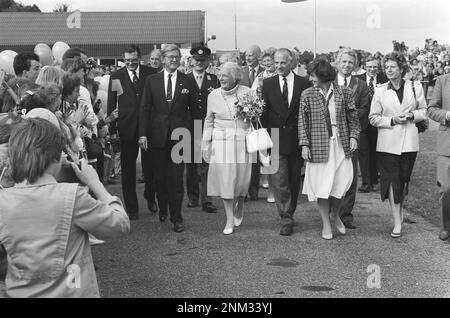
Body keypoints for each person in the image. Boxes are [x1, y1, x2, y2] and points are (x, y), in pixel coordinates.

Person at [0, 118, 129, 297]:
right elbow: (119, 224)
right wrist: (95, 183)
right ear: (55, 158)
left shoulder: (3, 201)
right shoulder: (72, 197)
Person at [299, 58, 360, 240]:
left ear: (323, 75)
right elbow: (303, 122)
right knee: (322, 185)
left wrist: (353, 136)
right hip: (318, 144)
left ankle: (336, 214)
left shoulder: (344, 93)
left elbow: (353, 119)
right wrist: (304, 145)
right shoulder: (307, 94)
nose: (311, 79)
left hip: (341, 144)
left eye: (313, 75)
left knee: (340, 183)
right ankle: (326, 222)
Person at [369, 52, 427, 238]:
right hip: (387, 143)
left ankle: (399, 214)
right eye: (387, 67)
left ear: (401, 69)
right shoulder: (380, 90)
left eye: (393, 67)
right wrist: (392, 120)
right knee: (392, 180)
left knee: (403, 179)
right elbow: (373, 118)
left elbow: (424, 111)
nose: (389, 70)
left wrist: (412, 116)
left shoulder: (415, 86)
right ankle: (396, 222)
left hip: (409, 142)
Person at [139, 44, 194, 233]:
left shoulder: (187, 80)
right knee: (160, 178)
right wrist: (143, 133)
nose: (174, 60)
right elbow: (145, 108)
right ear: (163, 59)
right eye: (170, 57)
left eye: (177, 57)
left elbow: (194, 111)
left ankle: (177, 217)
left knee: (177, 179)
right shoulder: (151, 80)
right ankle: (163, 207)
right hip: (158, 136)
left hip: (181, 137)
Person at [261, 48, 311, 236]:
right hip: (274, 138)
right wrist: (263, 141)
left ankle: (290, 211)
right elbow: (264, 113)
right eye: (276, 62)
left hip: (297, 139)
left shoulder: (303, 83)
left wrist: (307, 141)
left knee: (293, 179)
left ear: (291, 63)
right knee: (279, 180)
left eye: (283, 62)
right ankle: (286, 217)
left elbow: (307, 113)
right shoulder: (268, 83)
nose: (279, 66)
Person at [202, 62, 253, 235]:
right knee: (226, 180)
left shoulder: (247, 92)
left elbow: (255, 119)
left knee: (241, 180)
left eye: (225, 75)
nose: (221, 78)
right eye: (220, 75)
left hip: (241, 141)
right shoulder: (213, 95)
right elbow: (208, 120)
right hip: (221, 141)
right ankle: (229, 218)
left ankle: (241, 204)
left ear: (234, 76)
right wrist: (205, 144)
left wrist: (251, 112)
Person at [107, 45, 157, 220]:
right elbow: (112, 104)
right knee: (128, 171)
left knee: (150, 168)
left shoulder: (151, 73)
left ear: (139, 58)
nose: (130, 63)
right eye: (127, 60)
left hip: (148, 127)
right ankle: (132, 207)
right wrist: (112, 130)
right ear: (123, 59)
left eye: (134, 60)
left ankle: (151, 196)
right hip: (126, 127)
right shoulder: (116, 76)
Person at [335, 48, 370, 229]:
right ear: (337, 63)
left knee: (350, 176)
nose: (347, 65)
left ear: (355, 64)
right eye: (344, 62)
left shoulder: (361, 85)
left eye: (350, 62)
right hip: (331, 136)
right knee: (332, 174)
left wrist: (350, 114)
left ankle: (346, 215)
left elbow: (365, 108)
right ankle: (332, 212)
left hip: (353, 135)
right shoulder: (329, 82)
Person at [185, 45, 220, 213]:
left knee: (207, 164)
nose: (199, 63)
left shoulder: (214, 80)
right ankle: (193, 197)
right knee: (190, 164)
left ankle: (207, 200)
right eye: (196, 60)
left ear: (208, 61)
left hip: (208, 128)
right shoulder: (183, 79)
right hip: (188, 127)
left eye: (203, 60)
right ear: (191, 61)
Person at [355, 55, 388, 193]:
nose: (372, 69)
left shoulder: (384, 80)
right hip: (362, 121)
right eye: (369, 67)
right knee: (363, 152)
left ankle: (374, 179)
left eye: (375, 66)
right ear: (365, 67)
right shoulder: (358, 80)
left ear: (378, 67)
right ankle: (366, 182)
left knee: (376, 151)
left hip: (379, 121)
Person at [427, 72, 450, 241]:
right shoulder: (442, 81)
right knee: (446, 188)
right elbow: (431, 109)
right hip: (447, 145)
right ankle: (446, 227)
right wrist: (447, 115)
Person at [252, 48, 277, 203]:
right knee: (264, 154)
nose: (267, 63)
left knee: (274, 155)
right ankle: (265, 180)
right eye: (265, 61)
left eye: (270, 61)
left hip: (276, 120)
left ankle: (273, 191)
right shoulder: (259, 77)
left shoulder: (279, 76)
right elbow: (252, 95)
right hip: (262, 120)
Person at [240, 45, 265, 201]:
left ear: (258, 56)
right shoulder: (240, 71)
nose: (248, 58)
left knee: (255, 154)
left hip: (259, 119)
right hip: (242, 118)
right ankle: (242, 188)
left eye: (251, 55)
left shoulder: (265, 72)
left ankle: (254, 189)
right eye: (246, 55)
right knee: (242, 155)